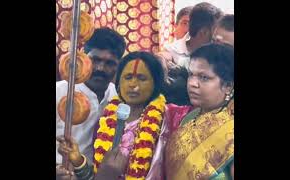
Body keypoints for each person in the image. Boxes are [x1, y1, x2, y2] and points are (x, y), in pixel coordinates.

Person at [57, 51, 167, 179]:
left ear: (156, 83)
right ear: (118, 81)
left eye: (142, 78)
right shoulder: (104, 122)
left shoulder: (166, 121)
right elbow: (96, 176)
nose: (133, 85)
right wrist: (78, 161)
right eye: (128, 77)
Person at [56, 27, 126, 179]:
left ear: (118, 65)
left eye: (109, 63)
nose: (100, 68)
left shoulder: (120, 99)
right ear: (83, 57)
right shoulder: (60, 93)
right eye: (95, 60)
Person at [163, 43, 234, 180]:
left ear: (227, 86)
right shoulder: (189, 118)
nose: (192, 83)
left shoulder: (230, 126)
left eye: (204, 77)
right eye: (191, 74)